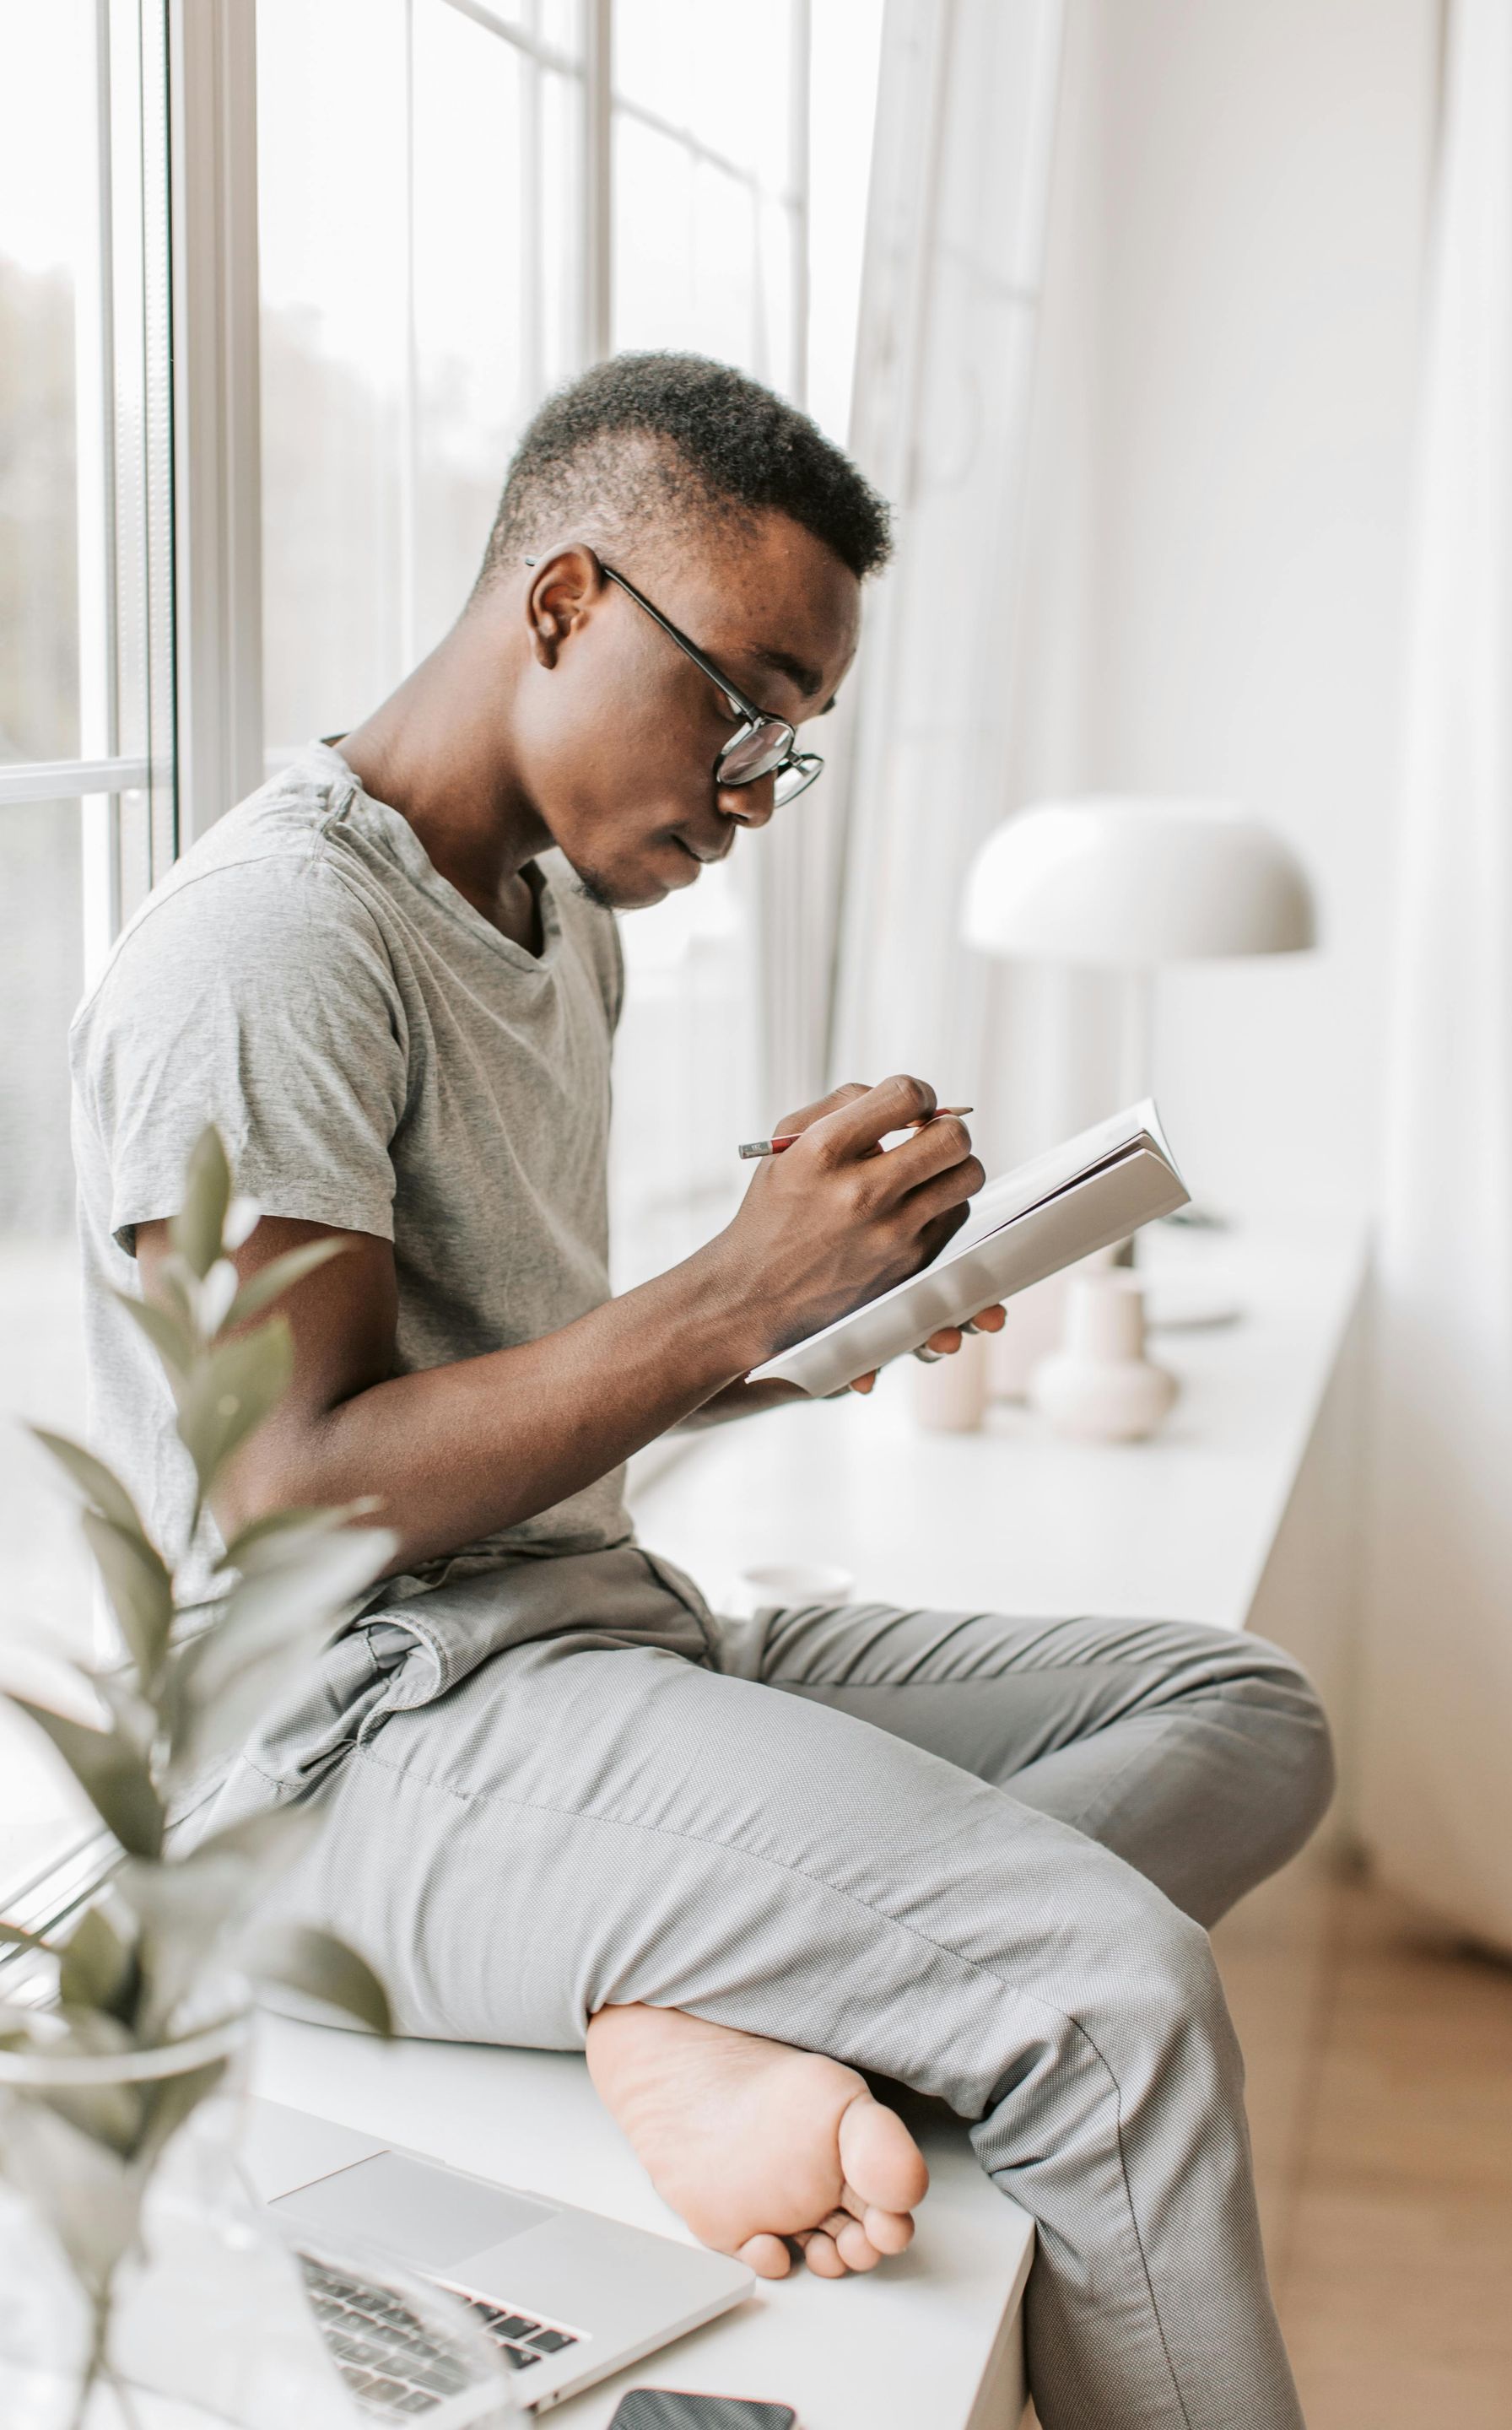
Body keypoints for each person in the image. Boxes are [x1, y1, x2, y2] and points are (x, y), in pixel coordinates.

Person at [72, 352, 1332, 2429]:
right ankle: (732, 1972)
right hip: (337, 1756)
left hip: (581, 1642)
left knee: (1241, 1713)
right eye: (743, 703)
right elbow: (285, 1495)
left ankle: (701, 1990)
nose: (753, 789)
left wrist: (811, 1326)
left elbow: (504, 1398)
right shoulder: (269, 946)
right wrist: (730, 1290)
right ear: (563, 601)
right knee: (1110, 1999)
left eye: (796, 743)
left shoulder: (557, 920)